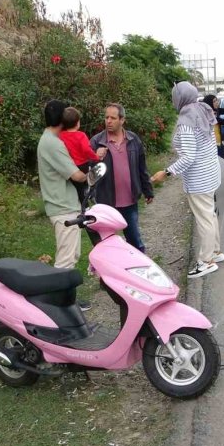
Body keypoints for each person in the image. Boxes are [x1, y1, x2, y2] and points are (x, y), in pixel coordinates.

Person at [151, 82, 224, 279]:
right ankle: (215, 252)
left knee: (204, 219)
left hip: (199, 178)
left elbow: (189, 156)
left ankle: (206, 261)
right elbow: (211, 140)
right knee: (209, 214)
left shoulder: (186, 121)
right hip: (210, 172)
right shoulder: (203, 109)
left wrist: (166, 172)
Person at [36, 99, 92, 311]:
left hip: (64, 205)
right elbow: (77, 175)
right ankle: (57, 306)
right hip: (62, 207)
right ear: (62, 119)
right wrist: (92, 174)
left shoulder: (50, 139)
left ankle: (67, 301)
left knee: (72, 255)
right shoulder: (52, 143)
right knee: (65, 259)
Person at [89, 103, 154, 252]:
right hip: (106, 201)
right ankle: (109, 273)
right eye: (106, 117)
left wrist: (147, 190)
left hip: (129, 201)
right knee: (107, 245)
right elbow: (89, 173)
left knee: (135, 241)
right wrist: (95, 157)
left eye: (113, 118)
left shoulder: (133, 139)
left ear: (122, 120)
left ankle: (138, 270)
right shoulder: (96, 142)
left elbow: (141, 168)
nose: (108, 121)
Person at [59, 107, 103, 203]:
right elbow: (87, 150)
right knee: (88, 180)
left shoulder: (61, 135)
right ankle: (89, 196)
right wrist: (96, 157)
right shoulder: (81, 135)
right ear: (77, 122)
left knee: (77, 187)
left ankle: (82, 202)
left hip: (70, 166)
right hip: (82, 164)